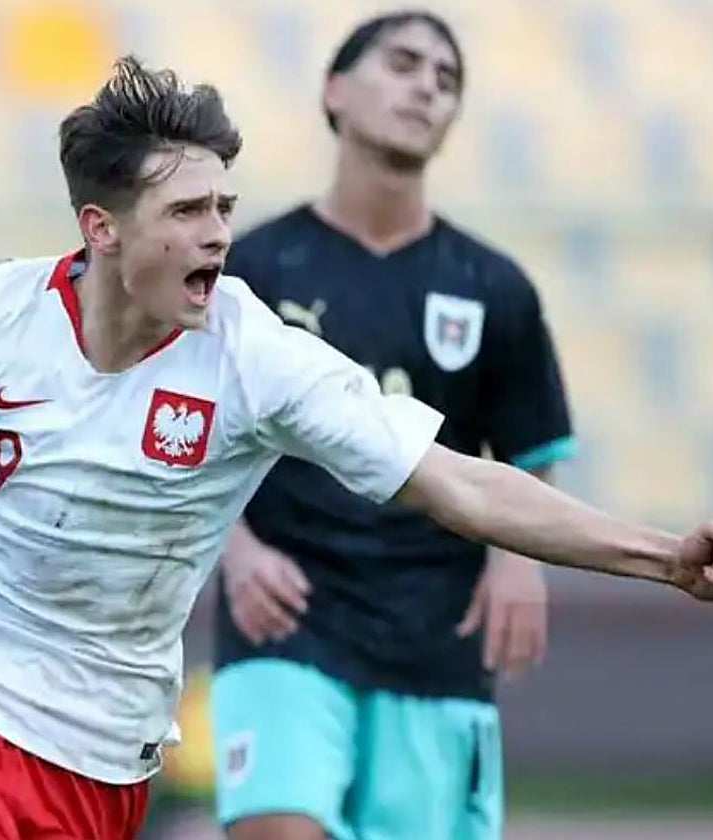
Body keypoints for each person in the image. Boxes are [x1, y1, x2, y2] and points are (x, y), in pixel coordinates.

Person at [0, 57, 713, 840]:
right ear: (102, 228)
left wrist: (661, 555)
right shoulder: (0, 309)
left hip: (97, 750)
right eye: (187, 210)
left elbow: (460, 487)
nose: (219, 233)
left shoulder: (257, 354)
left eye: (225, 204)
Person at [211, 11, 571, 839]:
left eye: (446, 81)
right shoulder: (252, 270)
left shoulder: (494, 286)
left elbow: (529, 447)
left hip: (433, 630)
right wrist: (238, 550)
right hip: (287, 617)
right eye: (404, 64)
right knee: (277, 826)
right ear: (336, 91)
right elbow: (191, 427)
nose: (426, 88)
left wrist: (518, 564)